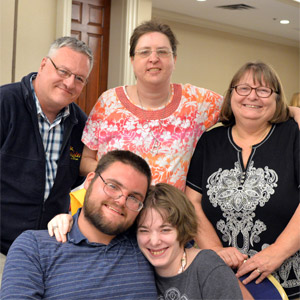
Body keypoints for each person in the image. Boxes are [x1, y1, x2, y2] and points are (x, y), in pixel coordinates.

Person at [186, 61, 300, 299]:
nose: (253, 96)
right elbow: (192, 203)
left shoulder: (293, 135)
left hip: (288, 280)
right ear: (231, 95)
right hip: (223, 280)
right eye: (244, 88)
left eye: (264, 90)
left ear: (277, 98)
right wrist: (216, 252)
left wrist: (277, 252)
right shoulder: (209, 141)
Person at [79, 20, 223, 191]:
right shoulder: (108, 102)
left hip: (171, 214)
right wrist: (116, 178)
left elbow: (240, 107)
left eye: (162, 52)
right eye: (144, 52)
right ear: (132, 60)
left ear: (174, 59)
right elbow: (85, 161)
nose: (153, 59)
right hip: (116, 208)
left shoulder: (197, 102)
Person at [0, 150, 157, 299]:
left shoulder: (150, 245)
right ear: (89, 181)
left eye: (134, 198)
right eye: (112, 186)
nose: (121, 201)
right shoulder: (34, 247)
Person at [0, 36, 93, 256]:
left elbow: (75, 183)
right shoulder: (5, 103)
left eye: (79, 78)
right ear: (43, 64)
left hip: (48, 250)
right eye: (63, 71)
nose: (70, 83)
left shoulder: (81, 125)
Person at [136, 183, 244, 299]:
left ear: (183, 228)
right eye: (144, 231)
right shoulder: (135, 272)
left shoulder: (210, 268)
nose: (154, 241)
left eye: (165, 230)